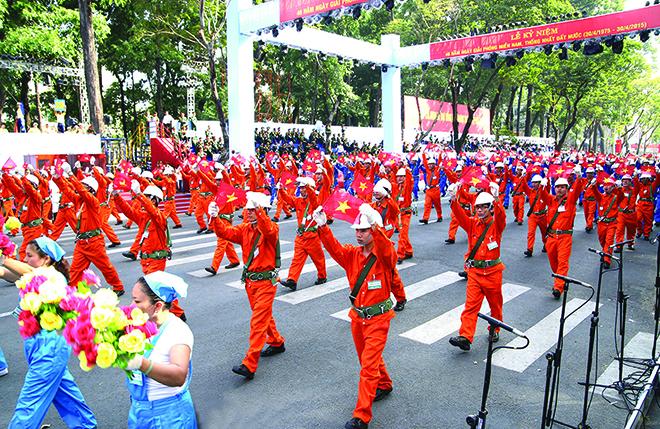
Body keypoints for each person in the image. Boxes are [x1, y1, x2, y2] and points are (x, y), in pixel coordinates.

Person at [313, 204, 395, 429]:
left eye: (364, 230)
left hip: (378, 319)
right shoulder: (352, 254)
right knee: (367, 359)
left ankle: (361, 415)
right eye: (357, 230)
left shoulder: (384, 255)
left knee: (368, 366)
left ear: (374, 230)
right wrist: (323, 227)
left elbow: (387, 249)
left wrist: (377, 228)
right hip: (358, 318)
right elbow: (335, 250)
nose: (359, 234)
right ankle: (385, 383)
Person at [5, 237, 97, 429]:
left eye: (30, 255)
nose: (26, 259)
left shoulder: (54, 277)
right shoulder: (34, 275)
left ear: (46, 259)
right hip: (37, 342)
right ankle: (85, 425)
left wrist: (4, 258)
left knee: (30, 400)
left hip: (49, 346)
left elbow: (28, 271)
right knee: (64, 390)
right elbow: (9, 274)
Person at [208, 192, 285, 379]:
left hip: (267, 282)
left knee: (258, 321)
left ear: (262, 210)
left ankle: (250, 364)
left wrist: (259, 211)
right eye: (248, 209)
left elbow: (267, 229)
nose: (248, 212)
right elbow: (225, 232)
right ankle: (276, 341)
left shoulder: (271, 228)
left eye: (253, 209)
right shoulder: (245, 229)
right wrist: (215, 218)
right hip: (251, 283)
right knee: (263, 315)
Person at [125, 271, 196, 429]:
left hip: (169, 417)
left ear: (157, 306)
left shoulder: (177, 331)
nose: (131, 306)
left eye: (137, 301)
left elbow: (178, 376)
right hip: (139, 412)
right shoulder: (140, 326)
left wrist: (142, 364)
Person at [447, 184, 506, 352]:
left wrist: (496, 199)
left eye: (483, 207)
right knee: (471, 305)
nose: (479, 210)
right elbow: (460, 215)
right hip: (475, 273)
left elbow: (501, 217)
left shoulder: (496, 225)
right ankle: (465, 337)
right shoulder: (472, 224)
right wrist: (453, 200)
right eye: (477, 207)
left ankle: (494, 328)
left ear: (490, 208)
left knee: (495, 305)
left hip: (493, 272)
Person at [53, 173, 125, 295]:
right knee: (75, 269)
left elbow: (82, 192)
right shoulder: (78, 201)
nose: (81, 187)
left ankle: (118, 287)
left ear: (90, 189)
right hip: (82, 243)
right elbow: (67, 189)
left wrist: (72, 175)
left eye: (85, 185)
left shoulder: (93, 201)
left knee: (105, 267)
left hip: (94, 242)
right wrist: (58, 178)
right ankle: (72, 290)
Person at [539, 176, 585, 298]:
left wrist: (578, 178)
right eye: (558, 187)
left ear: (566, 188)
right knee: (553, 262)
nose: (560, 189)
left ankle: (558, 287)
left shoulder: (570, 200)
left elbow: (576, 190)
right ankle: (560, 280)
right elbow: (542, 195)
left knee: (563, 263)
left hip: (565, 237)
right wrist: (544, 184)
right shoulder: (551, 200)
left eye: (563, 187)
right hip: (551, 237)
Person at [278, 177, 327, 290]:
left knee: (318, 259)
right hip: (300, 237)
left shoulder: (315, 202)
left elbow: (313, 199)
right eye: (300, 188)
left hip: (312, 237)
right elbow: (288, 199)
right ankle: (292, 280)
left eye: (304, 188)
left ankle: (322, 276)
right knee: (296, 259)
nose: (301, 190)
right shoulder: (299, 201)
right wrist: (281, 190)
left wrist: (309, 187)